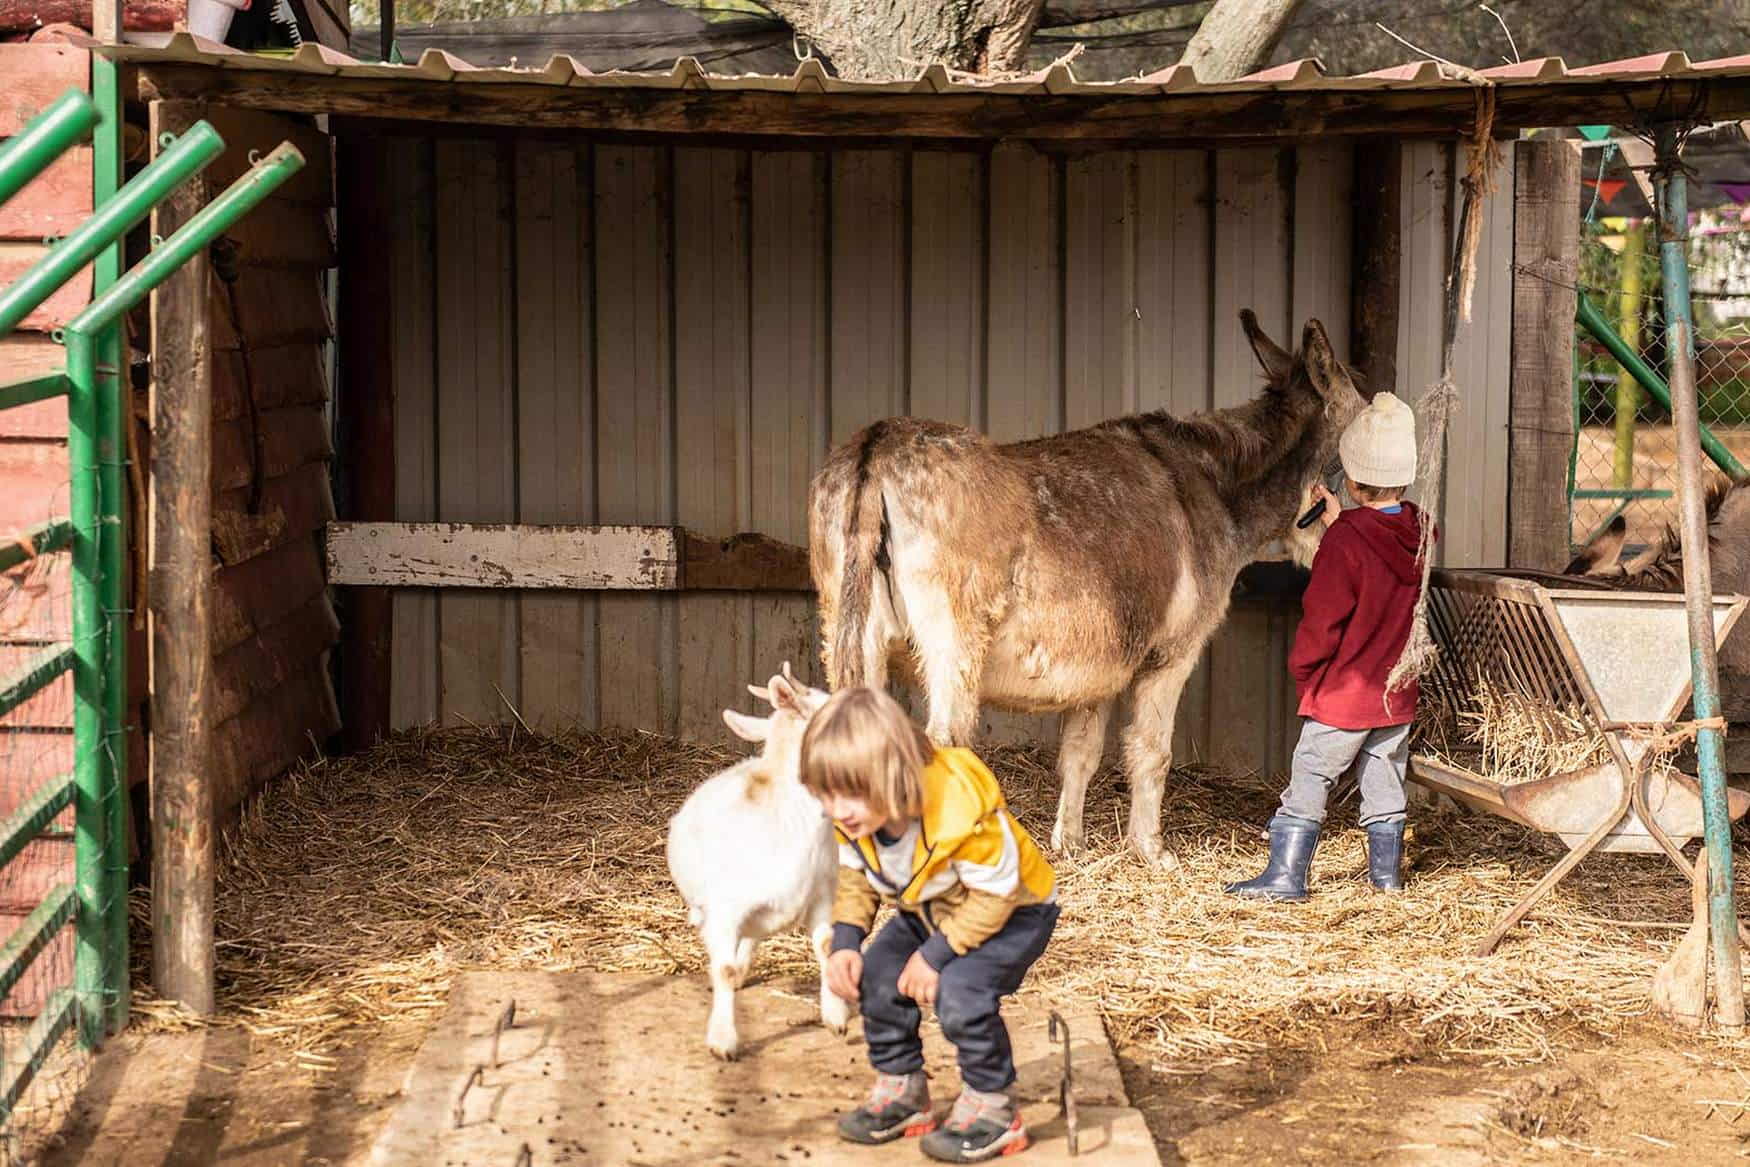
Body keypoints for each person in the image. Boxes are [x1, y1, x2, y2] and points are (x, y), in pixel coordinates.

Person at [801, 686, 1058, 1163]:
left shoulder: (960, 808)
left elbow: (995, 896)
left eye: (851, 793)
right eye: (826, 794)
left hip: (1015, 910)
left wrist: (935, 955)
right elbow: (856, 878)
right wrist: (845, 941)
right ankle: (904, 1091)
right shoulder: (856, 818)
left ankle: (995, 1109)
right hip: (932, 907)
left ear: (894, 773)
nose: (839, 810)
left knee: (959, 991)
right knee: (877, 975)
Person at [1227, 390, 1430, 902]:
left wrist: (1306, 668)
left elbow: (1325, 616)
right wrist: (1345, 520)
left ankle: (1286, 876)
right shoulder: (1421, 527)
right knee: (1384, 775)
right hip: (1396, 692)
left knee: (1312, 772)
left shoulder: (1345, 541)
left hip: (1346, 692)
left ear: (1353, 479)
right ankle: (1386, 879)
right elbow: (1377, 548)